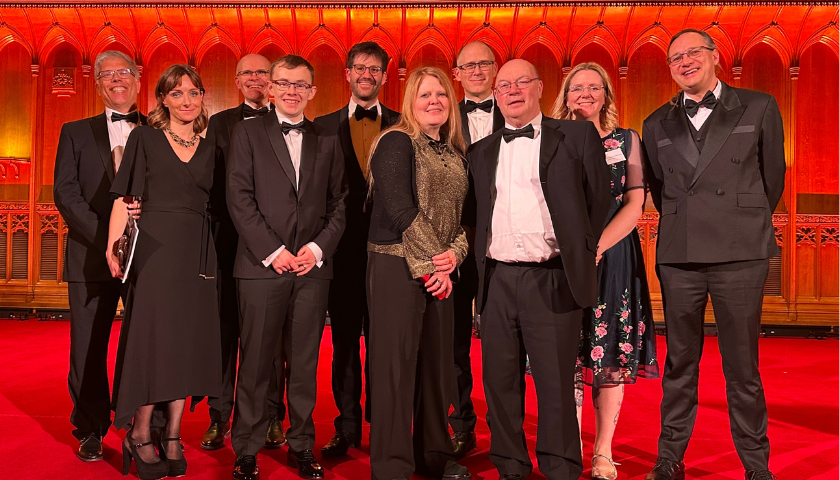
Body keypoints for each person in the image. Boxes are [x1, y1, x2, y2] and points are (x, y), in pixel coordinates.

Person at [641, 29, 785, 480]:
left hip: (740, 252)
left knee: (742, 366)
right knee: (679, 363)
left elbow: (773, 178)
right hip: (679, 254)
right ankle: (669, 460)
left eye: (693, 53)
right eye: (675, 58)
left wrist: (742, 222)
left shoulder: (759, 106)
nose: (685, 62)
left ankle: (756, 466)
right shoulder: (655, 122)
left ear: (715, 56)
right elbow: (660, 189)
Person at [467, 59, 611, 480]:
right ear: (496, 96)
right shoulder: (480, 151)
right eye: (504, 86)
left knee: (554, 384)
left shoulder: (577, 135)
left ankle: (561, 467)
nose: (513, 91)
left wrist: (578, 251)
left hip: (552, 276)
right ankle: (510, 466)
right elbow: (475, 216)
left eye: (522, 82)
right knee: (499, 383)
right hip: (496, 280)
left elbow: (599, 199)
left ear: (540, 87)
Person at [226, 54, 347, 480]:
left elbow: (340, 202)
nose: (292, 91)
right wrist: (274, 250)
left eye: (300, 84)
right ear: (270, 89)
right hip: (261, 267)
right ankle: (246, 449)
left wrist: (316, 248)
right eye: (284, 83)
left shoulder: (328, 138)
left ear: (312, 91)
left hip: (312, 269)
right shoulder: (246, 132)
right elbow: (239, 197)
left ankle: (301, 446)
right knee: (256, 364)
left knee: (303, 364)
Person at [107, 64, 221, 479]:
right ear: (163, 100)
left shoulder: (213, 147)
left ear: (202, 97)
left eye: (193, 93)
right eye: (177, 94)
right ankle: (139, 433)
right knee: (154, 341)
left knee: (186, 344)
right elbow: (125, 197)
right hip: (155, 251)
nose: (186, 101)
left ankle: (172, 434)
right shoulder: (145, 138)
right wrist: (112, 246)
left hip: (199, 253)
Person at [550, 62, 659, 480]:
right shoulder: (551, 138)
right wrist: (573, 250)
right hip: (561, 257)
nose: (585, 94)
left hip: (612, 256)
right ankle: (570, 448)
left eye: (594, 87)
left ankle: (603, 452)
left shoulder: (626, 140)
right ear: (565, 95)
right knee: (567, 354)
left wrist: (596, 248)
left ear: (606, 95)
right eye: (577, 87)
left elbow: (635, 202)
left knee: (608, 352)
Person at [366, 66, 471, 480]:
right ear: (410, 101)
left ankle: (434, 455)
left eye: (441, 94)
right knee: (394, 370)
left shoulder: (455, 152)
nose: (434, 101)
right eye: (425, 94)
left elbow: (465, 218)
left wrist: (453, 257)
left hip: (439, 270)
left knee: (436, 367)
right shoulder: (395, 141)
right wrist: (437, 261)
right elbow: (400, 209)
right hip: (395, 266)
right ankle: (392, 465)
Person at [54, 50, 143, 463]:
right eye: (107, 74)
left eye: (123, 72)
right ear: (97, 84)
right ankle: (90, 427)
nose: (116, 79)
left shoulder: (158, 130)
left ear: (137, 78)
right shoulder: (74, 131)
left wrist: (134, 243)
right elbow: (66, 193)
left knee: (147, 342)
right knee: (88, 348)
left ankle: (145, 426)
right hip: (90, 256)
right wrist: (108, 242)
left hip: (147, 258)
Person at [313, 41, 399, 458]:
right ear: (347, 73)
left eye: (375, 69)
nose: (367, 75)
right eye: (360, 68)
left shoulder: (404, 124)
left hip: (393, 252)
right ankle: (346, 428)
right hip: (341, 253)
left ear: (384, 75)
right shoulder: (321, 126)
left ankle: (384, 426)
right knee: (345, 343)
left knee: (385, 343)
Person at [203, 52, 288, 452]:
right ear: (237, 81)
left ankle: (271, 416)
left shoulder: (287, 121)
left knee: (271, 339)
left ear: (273, 80)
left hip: (274, 246)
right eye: (247, 73)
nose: (255, 78)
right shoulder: (218, 124)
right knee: (223, 333)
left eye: (262, 72)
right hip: (227, 244)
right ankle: (219, 416)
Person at [448, 40, 504, 459]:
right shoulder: (443, 117)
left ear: (495, 68)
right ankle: (461, 424)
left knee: (505, 344)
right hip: (458, 243)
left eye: (484, 63)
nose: (477, 71)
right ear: (457, 74)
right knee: (453, 343)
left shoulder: (522, 115)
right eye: (468, 66)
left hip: (507, 245)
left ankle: (506, 432)